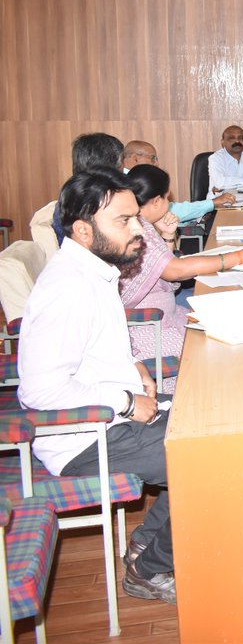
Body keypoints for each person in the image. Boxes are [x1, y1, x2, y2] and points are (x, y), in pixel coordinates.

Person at [18, 169, 177, 603]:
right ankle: (149, 572)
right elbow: (40, 392)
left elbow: (95, 349)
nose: (138, 230)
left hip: (110, 418)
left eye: (135, 218)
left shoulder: (95, 269)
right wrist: (125, 401)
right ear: (84, 230)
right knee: (209, 456)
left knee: (211, 420)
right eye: (124, 221)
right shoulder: (68, 288)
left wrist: (136, 368)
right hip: (85, 438)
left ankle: (148, 542)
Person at [122, 165, 243, 367]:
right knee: (223, 350)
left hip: (167, 316)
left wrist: (168, 236)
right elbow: (175, 270)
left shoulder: (142, 224)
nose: (169, 204)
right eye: (167, 198)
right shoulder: (137, 230)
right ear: (156, 201)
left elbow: (161, 268)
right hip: (147, 329)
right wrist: (238, 257)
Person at [123, 140, 235, 223]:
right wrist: (212, 203)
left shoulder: (127, 179)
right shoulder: (129, 185)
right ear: (135, 158)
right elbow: (171, 211)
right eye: (153, 158)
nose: (157, 163)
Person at [52, 133, 126, 245]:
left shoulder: (71, 193)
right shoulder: (101, 202)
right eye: (122, 161)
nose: (123, 167)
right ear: (110, 166)